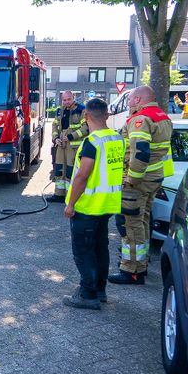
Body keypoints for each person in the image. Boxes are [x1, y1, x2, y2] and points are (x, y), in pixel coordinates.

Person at [63, 98, 126, 309]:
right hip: (108, 204)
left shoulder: (92, 142)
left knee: (83, 250)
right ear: (106, 115)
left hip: (88, 205)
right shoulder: (117, 138)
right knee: (101, 248)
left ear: (86, 116)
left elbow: (82, 176)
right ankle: (100, 290)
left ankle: (87, 294)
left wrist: (70, 204)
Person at [110, 86, 174, 284]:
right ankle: (142, 262)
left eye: (129, 99)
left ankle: (132, 270)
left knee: (131, 224)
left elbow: (140, 152)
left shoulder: (141, 120)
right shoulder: (162, 117)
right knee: (143, 220)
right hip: (154, 178)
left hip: (138, 181)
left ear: (138, 99)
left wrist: (132, 179)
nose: (127, 103)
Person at [49, 91, 89, 202]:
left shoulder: (81, 110)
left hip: (74, 146)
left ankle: (71, 196)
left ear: (74, 98)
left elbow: (86, 128)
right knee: (59, 168)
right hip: (61, 144)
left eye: (69, 99)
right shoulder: (60, 110)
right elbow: (55, 125)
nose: (66, 102)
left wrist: (71, 136)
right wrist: (55, 138)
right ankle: (59, 194)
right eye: (64, 100)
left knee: (71, 171)